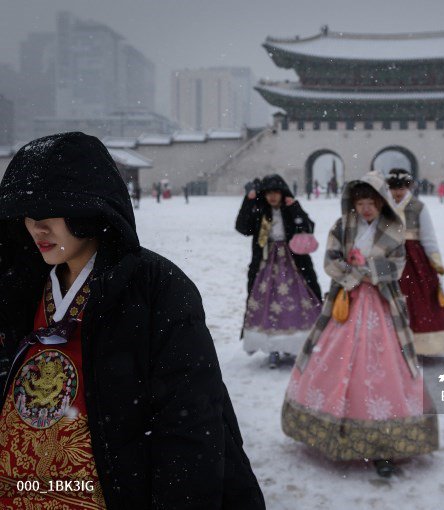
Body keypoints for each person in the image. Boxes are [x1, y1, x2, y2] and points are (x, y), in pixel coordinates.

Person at [0, 132, 265, 508]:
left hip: (112, 488)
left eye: (48, 213)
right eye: (27, 215)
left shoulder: (156, 288)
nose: (36, 228)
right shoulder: (19, 285)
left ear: (88, 207)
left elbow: (188, 423)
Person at [282, 171, 438, 478]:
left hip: (381, 304)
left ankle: (385, 438)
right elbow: (330, 261)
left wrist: (368, 271)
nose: (366, 208)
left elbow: (397, 263)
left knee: (384, 364)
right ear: (354, 203)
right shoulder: (341, 227)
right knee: (334, 357)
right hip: (347, 302)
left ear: (381, 203)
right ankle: (331, 429)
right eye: (361, 202)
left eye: (372, 202)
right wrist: (354, 275)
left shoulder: (394, 228)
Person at [236, 174, 322, 368]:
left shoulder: (290, 208)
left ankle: (295, 343)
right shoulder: (261, 212)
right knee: (268, 303)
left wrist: (294, 207)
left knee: (297, 302)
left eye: (276, 193)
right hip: (266, 263)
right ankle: (272, 346)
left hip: (294, 264)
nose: (273, 197)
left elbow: (308, 227)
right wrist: (248, 201)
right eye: (268, 193)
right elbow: (243, 227)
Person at [388, 169, 444, 356]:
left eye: (401, 188)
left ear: (408, 187)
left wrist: (435, 260)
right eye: (394, 188)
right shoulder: (383, 206)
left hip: (414, 259)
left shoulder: (418, 207)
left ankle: (419, 343)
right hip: (389, 257)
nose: (397, 193)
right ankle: (390, 341)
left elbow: (428, 236)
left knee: (418, 300)